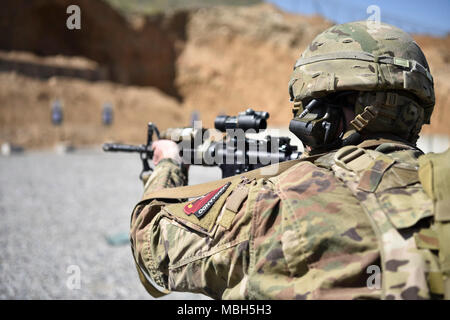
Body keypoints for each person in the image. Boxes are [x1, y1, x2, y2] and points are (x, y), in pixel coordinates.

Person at [130, 21, 449, 300]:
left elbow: (153, 248)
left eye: (306, 107)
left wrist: (167, 165)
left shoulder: (276, 203)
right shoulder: (441, 187)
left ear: (326, 111)